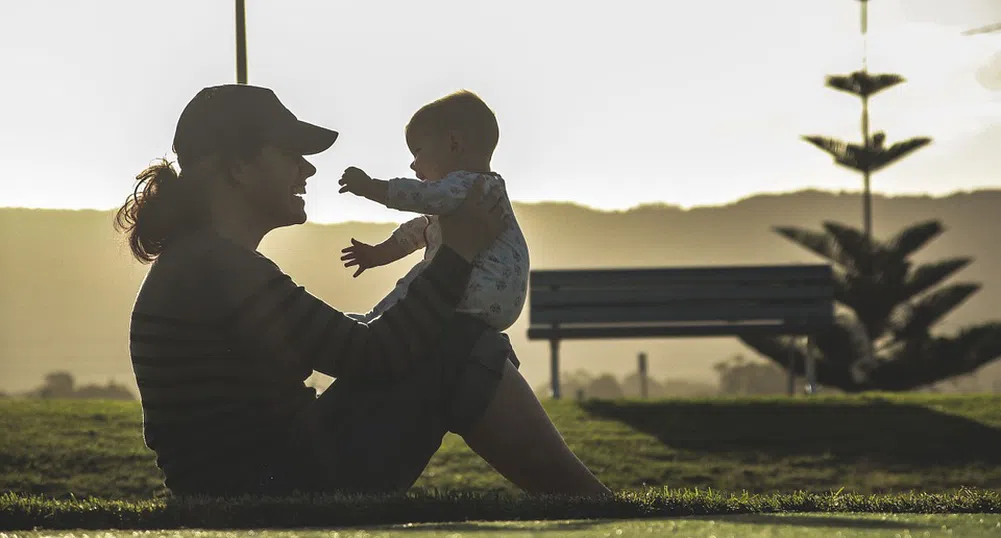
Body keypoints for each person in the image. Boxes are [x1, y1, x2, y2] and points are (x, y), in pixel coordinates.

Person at [115, 83, 610, 497]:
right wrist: (458, 251)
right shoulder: (216, 268)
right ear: (238, 167)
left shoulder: (201, 263)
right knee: (459, 344)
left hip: (260, 479)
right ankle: (596, 507)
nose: (308, 169)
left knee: (456, 340)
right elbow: (373, 354)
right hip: (272, 488)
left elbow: (351, 347)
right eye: (290, 154)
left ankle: (591, 504)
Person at [337, 90, 528, 333]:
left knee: (420, 278)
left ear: (453, 144)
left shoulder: (470, 185)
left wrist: (370, 187)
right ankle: (375, 321)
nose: (412, 164)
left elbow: (419, 196)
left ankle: (375, 322)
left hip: (479, 287)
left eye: (417, 151)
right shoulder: (481, 194)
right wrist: (377, 255)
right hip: (501, 302)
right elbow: (421, 230)